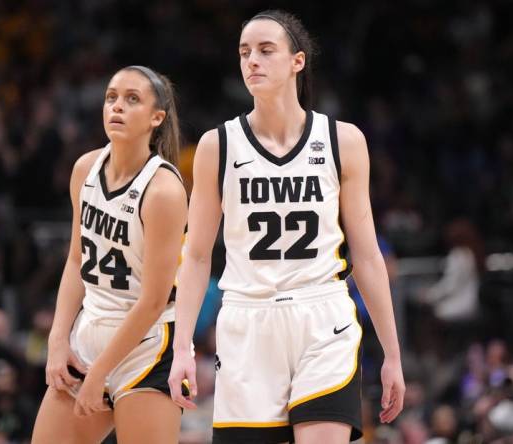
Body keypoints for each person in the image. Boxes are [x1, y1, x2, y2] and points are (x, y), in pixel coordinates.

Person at [168, 10, 405, 444]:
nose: (251, 61)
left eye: (265, 50)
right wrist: (181, 346)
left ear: (297, 61)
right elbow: (198, 255)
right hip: (246, 321)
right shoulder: (216, 146)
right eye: (244, 52)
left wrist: (392, 354)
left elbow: (367, 255)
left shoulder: (343, 140)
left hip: (323, 318)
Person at [31, 65, 188, 444]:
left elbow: (152, 301)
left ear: (156, 118)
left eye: (132, 99)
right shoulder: (85, 168)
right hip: (90, 334)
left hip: (146, 345)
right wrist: (57, 341)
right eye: (111, 97)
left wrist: (101, 373)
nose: (117, 106)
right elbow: (75, 260)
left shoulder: (164, 191)